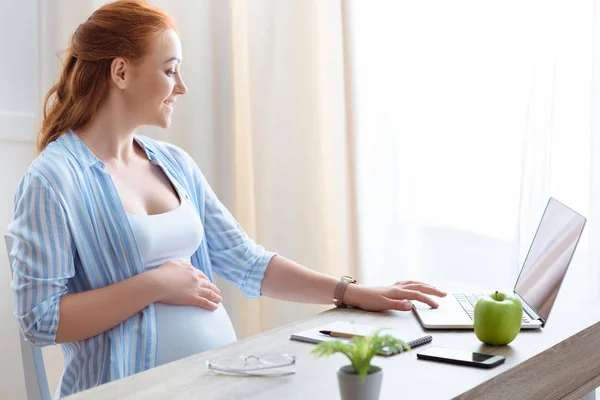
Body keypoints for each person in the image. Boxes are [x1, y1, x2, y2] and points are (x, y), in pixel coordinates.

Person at [8, 1, 446, 397]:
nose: (181, 87)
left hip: (217, 382)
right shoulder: (52, 180)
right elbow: (41, 321)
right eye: (170, 69)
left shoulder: (173, 163)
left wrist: (349, 292)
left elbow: (246, 261)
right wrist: (155, 284)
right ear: (121, 73)